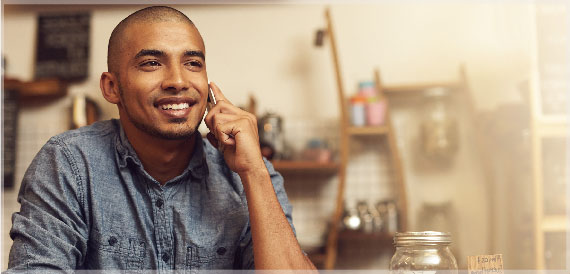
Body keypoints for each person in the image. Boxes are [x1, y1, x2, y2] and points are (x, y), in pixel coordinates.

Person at [7, 6, 316, 271]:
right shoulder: (68, 165)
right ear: (112, 87)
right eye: (152, 63)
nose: (178, 81)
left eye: (193, 63)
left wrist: (255, 173)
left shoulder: (250, 175)